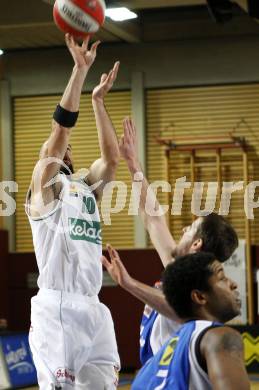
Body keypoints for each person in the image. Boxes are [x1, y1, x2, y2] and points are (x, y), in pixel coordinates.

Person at [102, 117, 239, 365]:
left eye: (191, 227)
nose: (184, 227)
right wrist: (132, 164)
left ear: (196, 245)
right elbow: (153, 218)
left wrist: (129, 283)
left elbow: (176, 307)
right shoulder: (180, 269)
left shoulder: (200, 290)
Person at [25, 33, 120, 390]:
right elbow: (60, 131)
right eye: (52, 150)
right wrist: (79, 73)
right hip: (57, 306)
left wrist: (98, 101)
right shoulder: (43, 193)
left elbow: (111, 160)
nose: (63, 152)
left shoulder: (85, 188)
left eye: (67, 150)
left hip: (93, 306)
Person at [131, 252, 250, 389]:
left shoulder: (148, 369)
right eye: (222, 278)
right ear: (199, 297)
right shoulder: (217, 336)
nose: (233, 284)